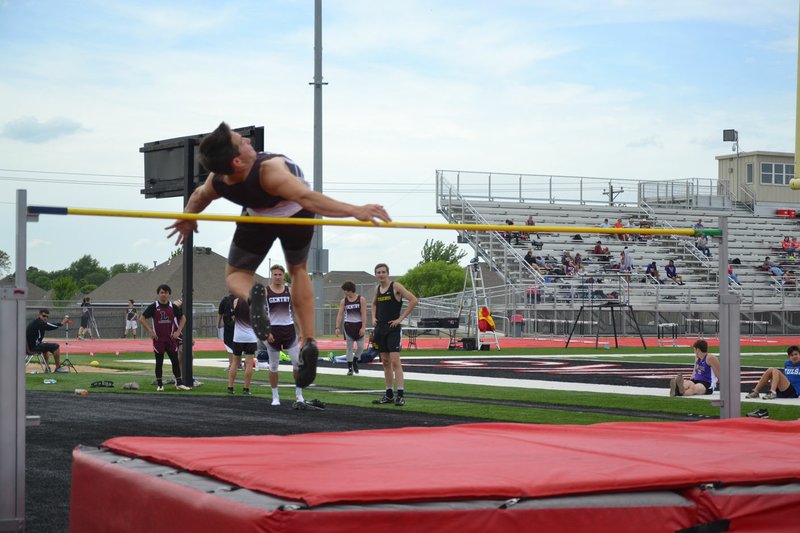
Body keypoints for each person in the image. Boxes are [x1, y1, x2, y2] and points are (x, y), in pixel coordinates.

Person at [165, 122, 391, 389]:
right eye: (244, 142)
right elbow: (309, 199)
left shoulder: (219, 180)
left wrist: (188, 218)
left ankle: (254, 296)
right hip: (296, 213)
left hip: (259, 216)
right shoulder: (269, 171)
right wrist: (356, 210)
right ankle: (308, 340)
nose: (250, 141)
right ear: (237, 160)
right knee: (297, 270)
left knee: (236, 276)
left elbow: (200, 195)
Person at [260, 264, 308, 407]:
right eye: (275, 274)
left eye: (280, 274)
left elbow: (295, 312)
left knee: (297, 364)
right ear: (271, 276)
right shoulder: (266, 292)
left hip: (289, 331)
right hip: (273, 332)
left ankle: (299, 394)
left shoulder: (290, 291)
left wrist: (302, 331)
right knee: (274, 366)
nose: (277, 277)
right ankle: (275, 397)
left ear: (283, 276)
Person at [371, 263, 418, 407]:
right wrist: (373, 317)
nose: (381, 274)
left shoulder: (396, 286)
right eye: (378, 272)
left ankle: (401, 395)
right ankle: (389, 394)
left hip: (393, 328)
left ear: (387, 273)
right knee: (385, 362)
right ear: (376, 275)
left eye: (383, 272)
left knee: (395, 362)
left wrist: (400, 319)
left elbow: (413, 300)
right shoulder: (377, 289)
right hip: (380, 328)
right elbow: (373, 304)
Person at [139, 284, 190, 391]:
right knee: (159, 362)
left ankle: (179, 383)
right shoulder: (154, 306)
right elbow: (142, 318)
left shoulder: (172, 306)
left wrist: (178, 331)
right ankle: (160, 384)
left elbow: (183, 318)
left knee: (175, 361)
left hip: (170, 339)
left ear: (169, 294)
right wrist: (150, 331)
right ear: (158, 294)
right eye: (162, 292)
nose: (164, 295)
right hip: (159, 339)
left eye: (166, 292)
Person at [334, 281, 367, 376]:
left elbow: (364, 314)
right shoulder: (344, 301)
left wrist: (363, 327)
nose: (344, 292)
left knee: (361, 347)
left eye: (345, 290)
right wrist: (337, 327)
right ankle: (349, 369)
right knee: (349, 348)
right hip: (348, 326)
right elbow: (340, 314)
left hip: (359, 325)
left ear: (350, 290)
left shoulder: (361, 299)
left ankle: (355, 361)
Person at [227, 297, 256, 395]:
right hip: (250, 337)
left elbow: (233, 317)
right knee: (249, 363)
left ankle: (230, 386)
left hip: (238, 336)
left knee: (235, 362)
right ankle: (246, 388)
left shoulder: (236, 301)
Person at [26, 309, 69, 373]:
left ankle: (47, 368)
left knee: (45, 347)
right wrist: (62, 323)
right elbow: (50, 326)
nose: (45, 318)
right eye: (44, 316)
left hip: (31, 346)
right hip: (34, 346)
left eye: (47, 316)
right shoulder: (39, 322)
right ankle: (58, 368)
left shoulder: (36, 322)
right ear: (39, 315)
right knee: (56, 346)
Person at [217, 293, 236, 368]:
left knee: (229, 345)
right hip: (239, 327)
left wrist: (218, 325)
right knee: (238, 346)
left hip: (228, 326)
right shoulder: (242, 298)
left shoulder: (225, 300)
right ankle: (238, 363)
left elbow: (220, 313)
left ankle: (232, 364)